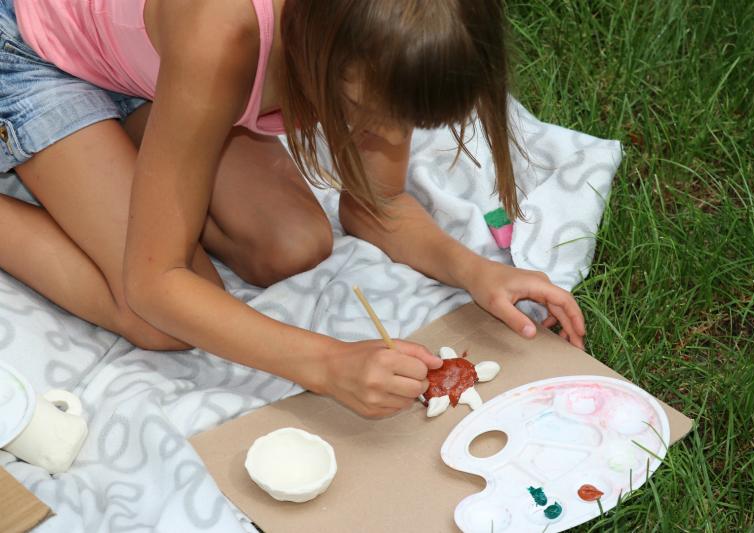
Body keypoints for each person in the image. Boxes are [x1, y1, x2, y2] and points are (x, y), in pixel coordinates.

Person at [0, 0, 585, 418]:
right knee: (155, 318)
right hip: (30, 45)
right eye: (364, 110)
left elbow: (377, 204)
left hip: (143, 62)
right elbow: (156, 283)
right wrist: (326, 364)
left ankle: (125, 145)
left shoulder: (388, 30)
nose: (384, 135)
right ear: (320, 44)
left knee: (291, 245)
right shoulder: (222, 32)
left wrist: (478, 272)